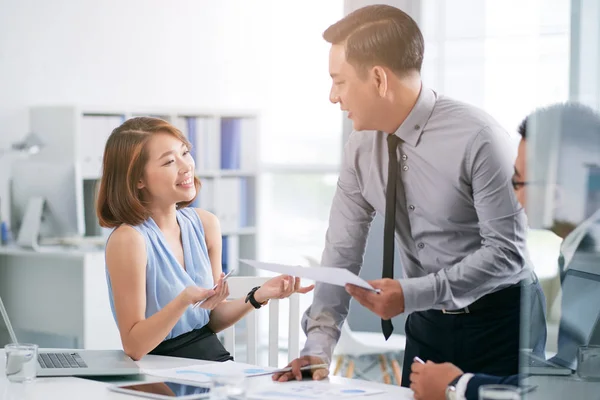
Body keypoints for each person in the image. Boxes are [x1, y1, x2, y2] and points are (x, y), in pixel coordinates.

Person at [274, 4, 545, 386]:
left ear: (379, 79)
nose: (333, 96)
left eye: (339, 81)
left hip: (502, 320)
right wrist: (318, 347)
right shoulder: (359, 149)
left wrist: (412, 293)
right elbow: (340, 254)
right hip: (427, 321)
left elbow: (507, 251)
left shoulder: (478, 138)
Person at [409, 102, 600, 400]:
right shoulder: (580, 244)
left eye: (519, 181)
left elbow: (574, 388)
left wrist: (457, 386)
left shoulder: (592, 259)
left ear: (557, 192)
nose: (513, 193)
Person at [96, 117, 313, 361]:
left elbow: (211, 319)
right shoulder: (129, 240)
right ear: (138, 179)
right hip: (157, 369)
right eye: (169, 161)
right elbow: (134, 346)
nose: (186, 166)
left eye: (185, 153)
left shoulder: (205, 224)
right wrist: (183, 301)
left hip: (210, 360)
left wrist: (259, 294)